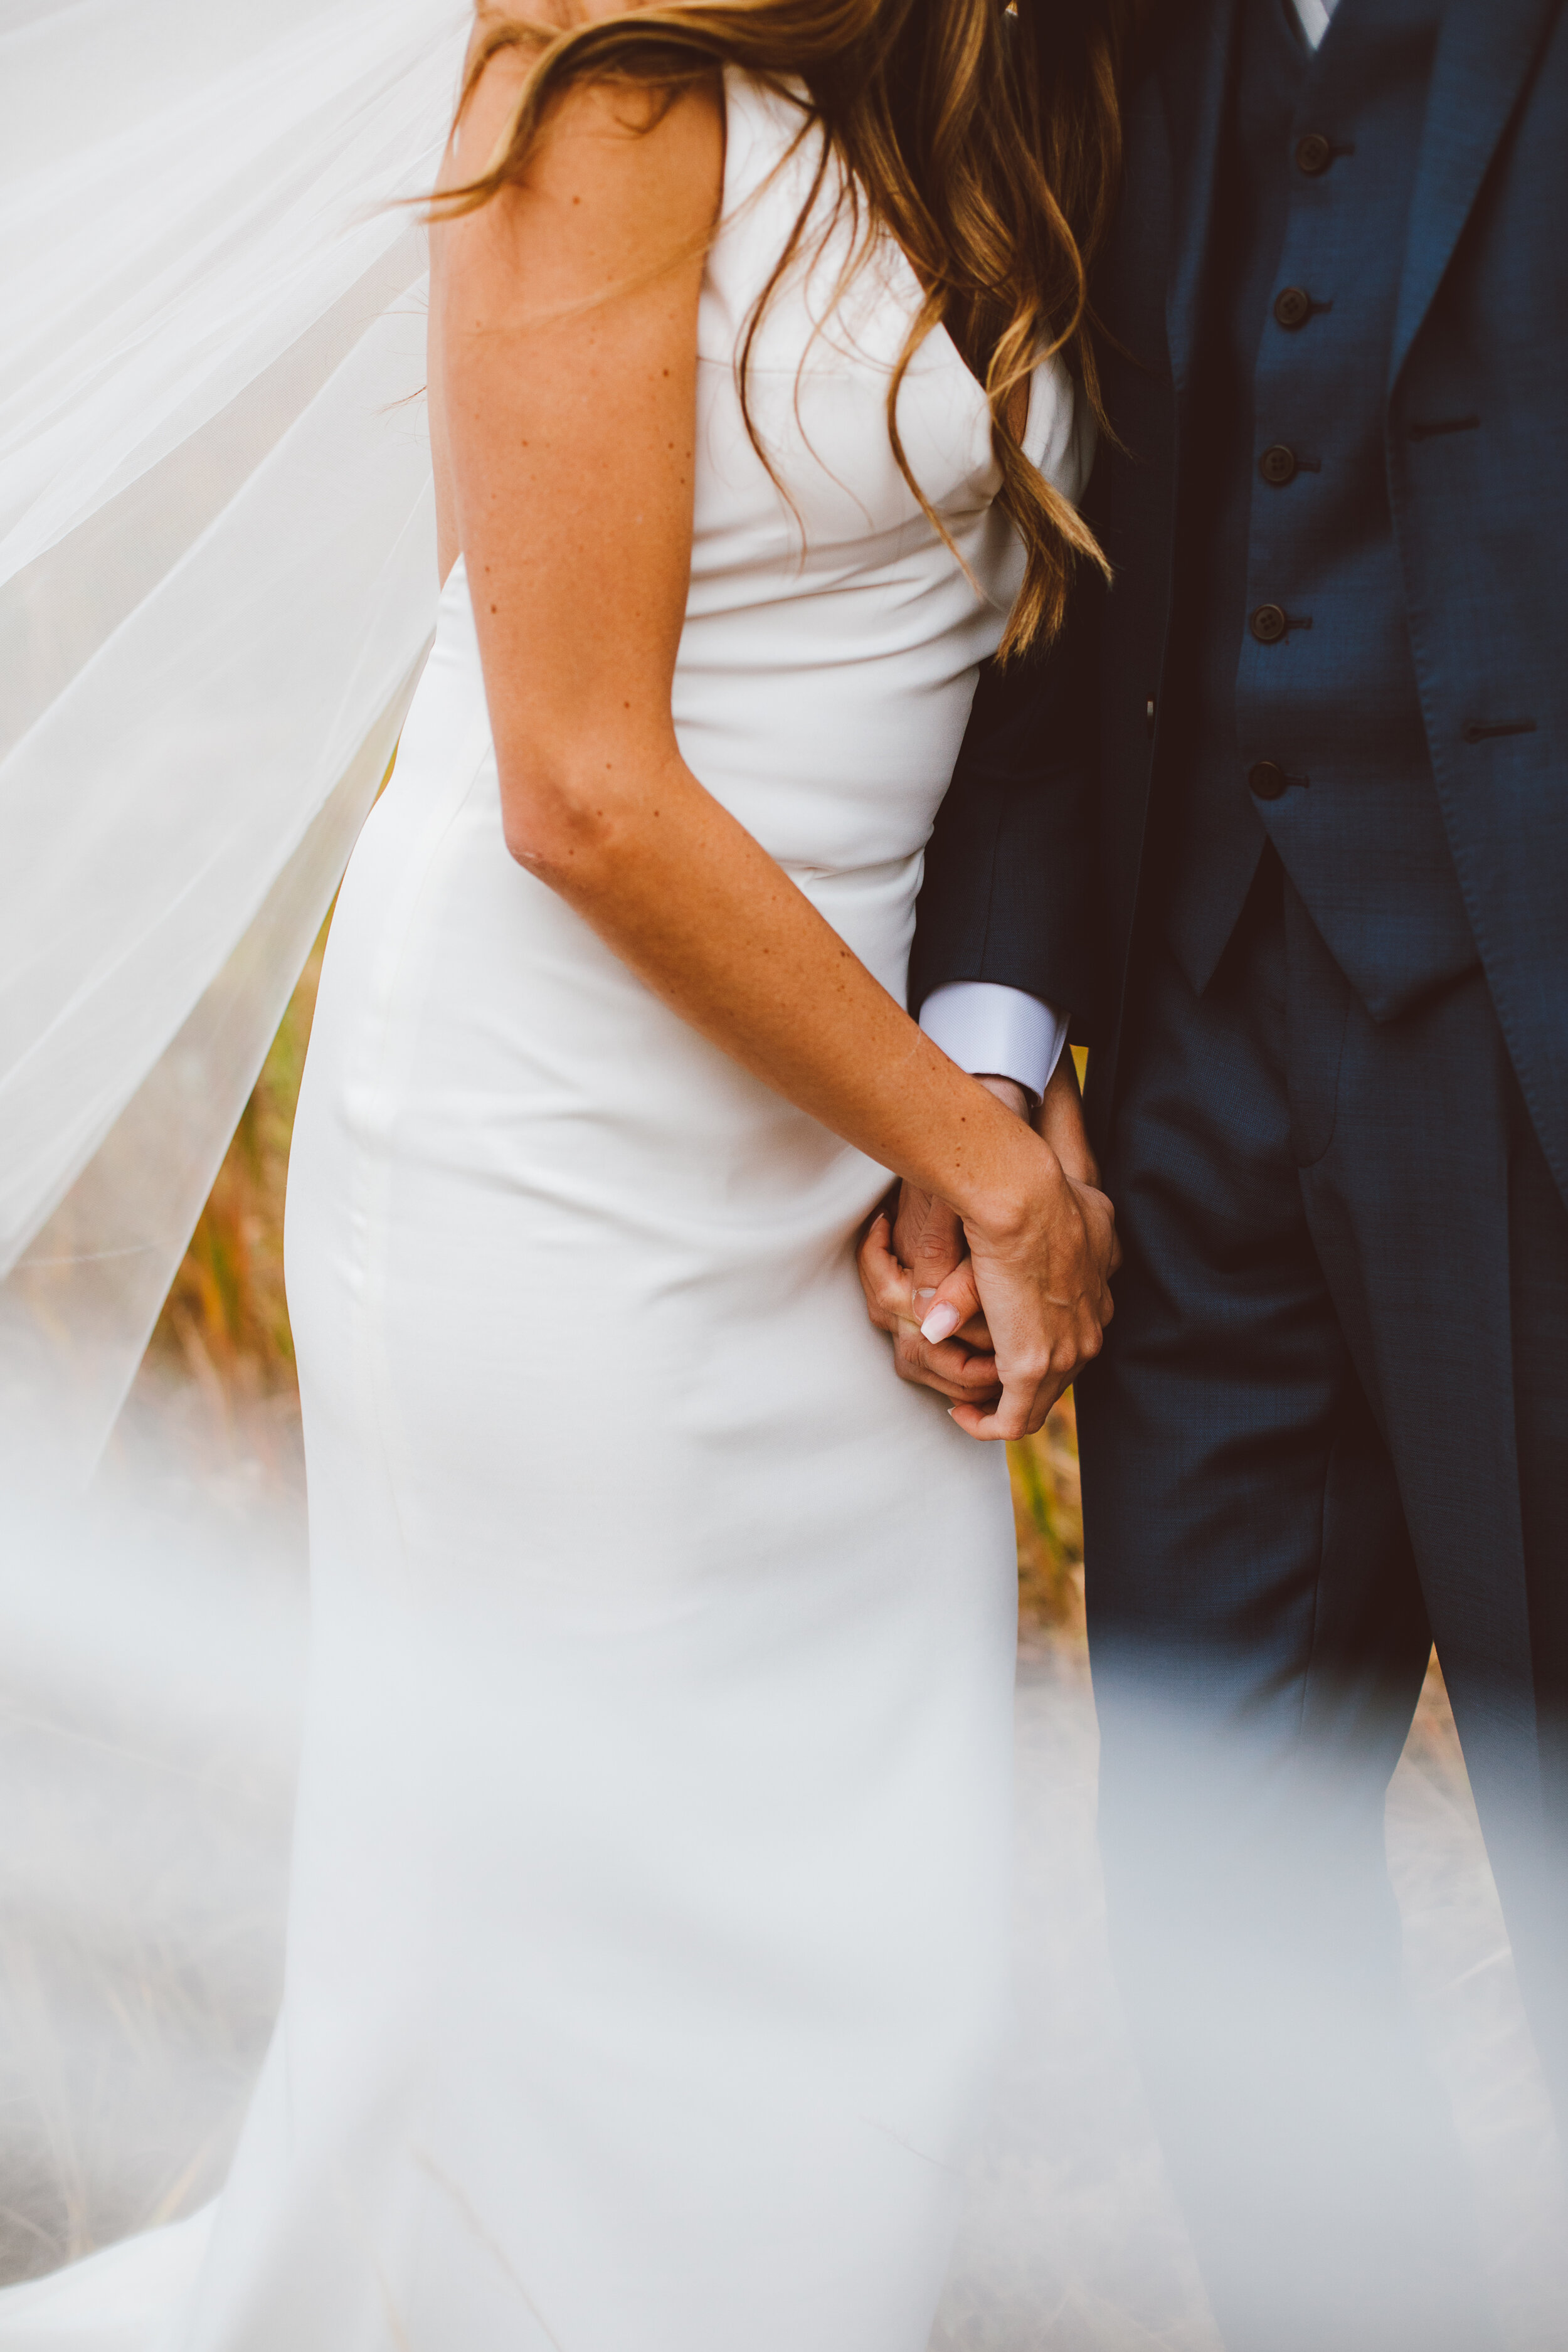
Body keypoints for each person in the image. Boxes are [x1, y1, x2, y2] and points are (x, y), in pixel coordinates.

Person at [0, 1, 1126, 2344]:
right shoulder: (602, 93)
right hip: (561, 1156)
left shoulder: (1000, 97)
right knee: (564, 1930)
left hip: (833, 1151)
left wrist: (966, 1101)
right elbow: (580, 783)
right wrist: (970, 1158)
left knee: (857, 1914)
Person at [863, 0, 1568, 2344]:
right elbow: (1065, 559)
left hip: (1529, 1068)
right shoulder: (1088, 34)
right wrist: (984, 1034)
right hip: (1181, 1097)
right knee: (1211, 1867)